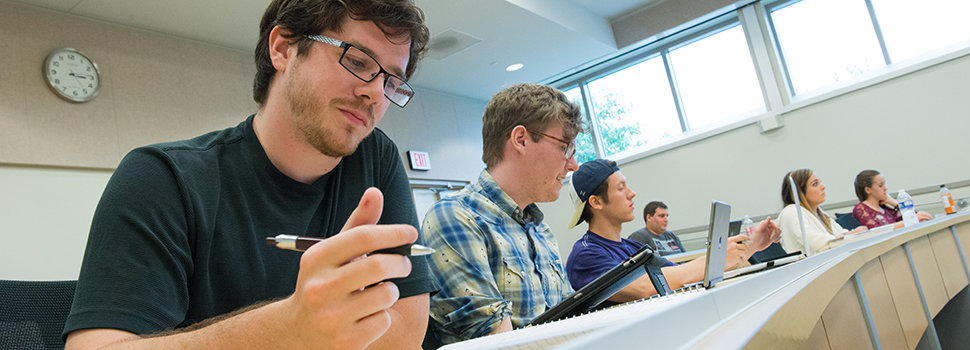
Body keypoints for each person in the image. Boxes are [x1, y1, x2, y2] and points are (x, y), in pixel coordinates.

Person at [63, 1, 435, 349]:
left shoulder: (376, 159)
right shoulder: (162, 178)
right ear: (284, 48)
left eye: (391, 82)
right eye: (357, 60)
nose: (375, 94)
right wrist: (287, 329)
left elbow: (406, 331)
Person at [423, 83, 583, 345]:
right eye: (565, 147)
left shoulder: (540, 229)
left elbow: (570, 318)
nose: (573, 164)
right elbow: (498, 342)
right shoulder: (456, 217)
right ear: (521, 140)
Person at [564, 159, 781, 305]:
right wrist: (718, 258)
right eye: (621, 188)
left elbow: (680, 275)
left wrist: (754, 245)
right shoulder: (585, 256)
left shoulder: (635, 248)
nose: (632, 193)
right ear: (596, 202)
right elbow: (645, 287)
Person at [778, 169, 867, 254]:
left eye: (820, 182)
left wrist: (854, 234)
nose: (823, 187)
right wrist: (851, 235)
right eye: (815, 184)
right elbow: (816, 244)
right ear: (799, 191)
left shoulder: (819, 213)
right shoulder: (791, 212)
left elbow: (839, 233)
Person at [851, 170, 932, 229]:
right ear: (868, 190)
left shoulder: (884, 208)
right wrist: (911, 220)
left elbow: (912, 217)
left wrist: (895, 203)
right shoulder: (860, 208)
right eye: (880, 186)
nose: (885, 188)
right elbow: (876, 231)